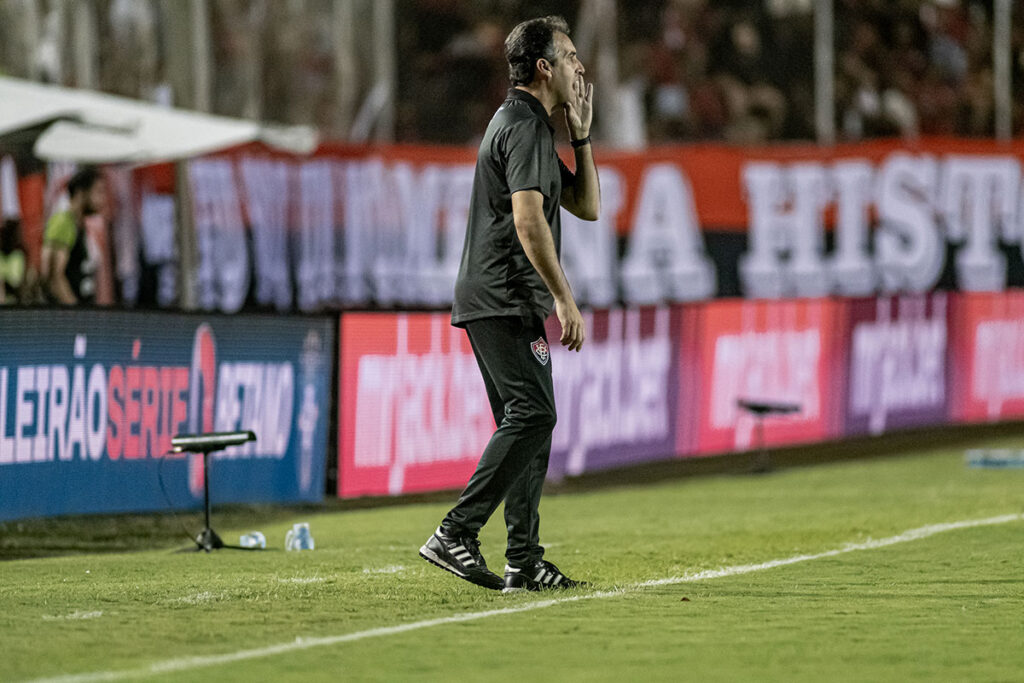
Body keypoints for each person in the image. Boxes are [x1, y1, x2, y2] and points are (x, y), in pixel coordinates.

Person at [419, 15, 600, 592]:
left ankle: (523, 559)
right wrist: (564, 298)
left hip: (503, 297)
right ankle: (456, 532)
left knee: (530, 422)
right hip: (501, 295)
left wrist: (581, 136)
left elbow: (587, 205)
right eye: (569, 56)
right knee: (534, 414)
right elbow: (527, 217)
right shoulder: (521, 125)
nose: (579, 66)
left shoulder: (537, 129)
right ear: (544, 67)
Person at [41, 166, 108, 305]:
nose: (103, 199)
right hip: (70, 319)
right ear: (80, 193)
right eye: (98, 192)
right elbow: (54, 278)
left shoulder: (80, 225)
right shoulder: (63, 222)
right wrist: (75, 313)